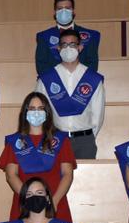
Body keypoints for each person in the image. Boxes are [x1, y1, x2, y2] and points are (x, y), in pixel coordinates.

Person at [0, 92, 76, 222]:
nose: (36, 112)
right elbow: (11, 176)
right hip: (24, 203)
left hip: (55, 202)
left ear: (47, 112)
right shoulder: (15, 141)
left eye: (41, 109)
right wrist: (28, 198)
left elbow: (67, 174)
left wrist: (53, 202)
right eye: (32, 109)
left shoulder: (61, 139)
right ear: (25, 112)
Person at [35, 29, 105, 159]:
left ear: (80, 47)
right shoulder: (46, 79)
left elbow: (98, 114)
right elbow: (39, 111)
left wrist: (87, 136)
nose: (68, 48)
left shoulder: (92, 78)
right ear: (58, 48)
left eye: (73, 44)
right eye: (64, 45)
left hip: (84, 141)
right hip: (56, 140)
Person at [35, 0, 100, 75]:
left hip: (82, 82)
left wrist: (74, 80)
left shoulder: (91, 35)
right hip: (53, 84)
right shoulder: (43, 36)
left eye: (67, 8)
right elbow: (42, 67)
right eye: (60, 8)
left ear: (73, 11)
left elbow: (92, 65)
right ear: (55, 12)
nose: (64, 11)